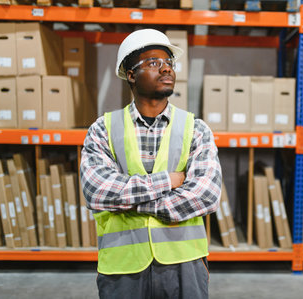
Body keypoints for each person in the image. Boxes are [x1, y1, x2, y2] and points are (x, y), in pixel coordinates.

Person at [80, 29, 222, 299]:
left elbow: (206, 195)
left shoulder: (196, 129)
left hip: (185, 265)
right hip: (124, 267)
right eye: (155, 62)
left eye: (170, 62)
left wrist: (131, 203)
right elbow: (97, 191)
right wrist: (168, 181)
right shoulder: (103, 129)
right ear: (131, 74)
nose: (167, 68)